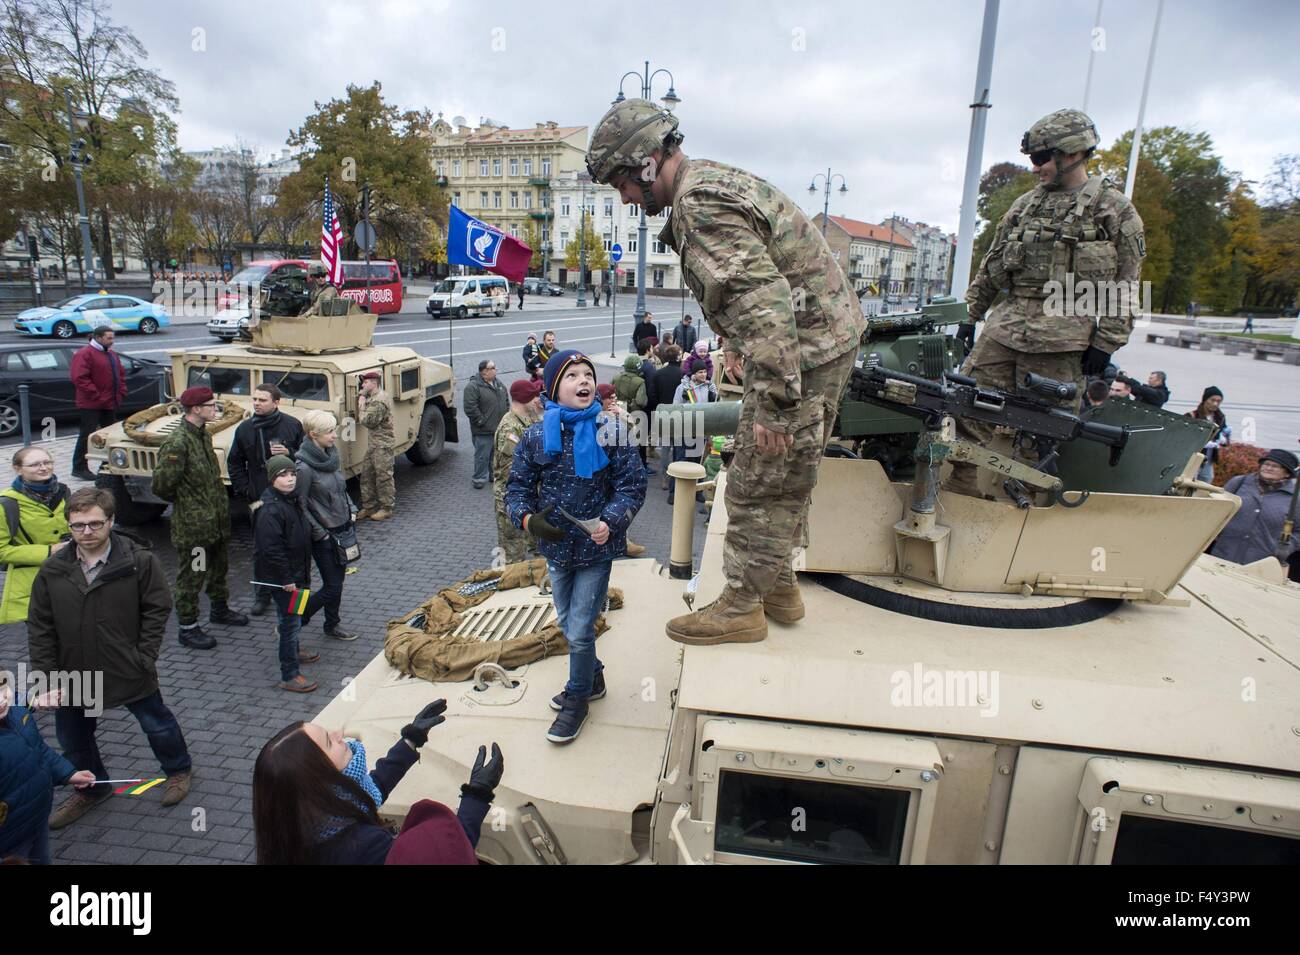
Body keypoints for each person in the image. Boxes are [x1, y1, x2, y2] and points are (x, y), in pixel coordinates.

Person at [588, 98, 865, 646]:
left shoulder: (698, 204)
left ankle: (741, 605)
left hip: (802, 354)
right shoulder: (708, 183)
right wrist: (740, 344)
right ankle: (778, 587)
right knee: (780, 475)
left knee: (756, 481)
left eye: (621, 180)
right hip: (816, 344)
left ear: (647, 161)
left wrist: (778, 405)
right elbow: (755, 290)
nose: (623, 196)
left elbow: (765, 302)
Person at [945, 108, 1146, 499]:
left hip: (1064, 339)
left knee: (1043, 424)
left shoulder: (1114, 210)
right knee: (969, 403)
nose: (1035, 168)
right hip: (1006, 329)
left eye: (1041, 158)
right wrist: (969, 316)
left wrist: (1106, 344)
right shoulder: (1024, 207)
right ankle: (962, 483)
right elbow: (992, 265)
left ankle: (1027, 496)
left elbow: (1127, 284)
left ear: (1070, 154)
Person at [29, 487, 193, 830]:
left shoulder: (138, 561)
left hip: (127, 666)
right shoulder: (52, 569)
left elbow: (158, 607)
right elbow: (41, 626)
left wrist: (144, 657)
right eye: (77, 526)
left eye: (94, 524)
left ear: (111, 521)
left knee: (156, 723)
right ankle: (92, 789)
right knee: (73, 738)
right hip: (73, 673)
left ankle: (177, 771)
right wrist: (46, 679)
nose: (86, 532)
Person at [505, 350, 646, 743]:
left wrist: (611, 522)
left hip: (596, 550)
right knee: (568, 624)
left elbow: (632, 486)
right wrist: (527, 519)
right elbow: (516, 487)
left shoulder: (612, 431)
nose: (583, 381)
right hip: (555, 550)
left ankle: (578, 699)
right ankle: (595, 677)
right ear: (553, 387)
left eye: (588, 374)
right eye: (572, 376)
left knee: (580, 629)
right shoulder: (535, 435)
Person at [253, 706, 503, 864]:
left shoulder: (298, 824)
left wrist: (410, 742)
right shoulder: (364, 847)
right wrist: (477, 796)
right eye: (329, 742)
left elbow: (369, 791)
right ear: (321, 781)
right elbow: (449, 852)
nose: (339, 734)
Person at [152, 386, 248, 650]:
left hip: (215, 521)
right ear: (196, 409)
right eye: (210, 405)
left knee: (219, 568)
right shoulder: (178, 442)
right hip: (194, 527)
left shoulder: (202, 435)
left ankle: (220, 609)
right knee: (192, 576)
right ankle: (188, 627)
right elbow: (161, 485)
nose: (214, 409)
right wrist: (189, 503)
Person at [0, 671, 96, 864]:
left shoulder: (17, 713)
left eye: (3, 688)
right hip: (9, 838)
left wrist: (68, 773)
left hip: (36, 818)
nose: (2, 699)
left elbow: (38, 750)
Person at [227, 383, 305, 615]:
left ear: (276, 402)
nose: (257, 404)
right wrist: (245, 489)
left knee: (295, 546)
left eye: (262, 400)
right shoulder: (244, 429)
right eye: (255, 399)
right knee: (263, 548)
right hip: (259, 498)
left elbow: (304, 456)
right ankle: (262, 595)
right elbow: (234, 462)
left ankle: (295, 597)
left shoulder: (292, 425)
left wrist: (289, 454)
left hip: (290, 499)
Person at [255, 455, 319, 693]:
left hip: (298, 576)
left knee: (293, 619)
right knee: (290, 623)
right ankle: (289, 674)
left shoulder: (288, 500)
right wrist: (286, 580)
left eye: (292, 474)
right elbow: (271, 550)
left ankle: (294, 650)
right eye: (283, 475)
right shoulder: (271, 510)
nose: (290, 479)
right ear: (272, 479)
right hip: (287, 581)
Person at [295, 412, 359, 643]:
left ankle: (332, 624)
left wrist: (352, 508)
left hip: (344, 530)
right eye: (330, 432)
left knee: (337, 584)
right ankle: (296, 619)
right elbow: (300, 505)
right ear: (313, 435)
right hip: (325, 537)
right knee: (332, 587)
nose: (335, 436)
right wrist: (319, 534)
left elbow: (341, 489)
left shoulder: (331, 457)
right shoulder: (303, 468)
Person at [0, 447, 71, 624]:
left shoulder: (64, 492)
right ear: (18, 469)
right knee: (45, 642)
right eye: (34, 464)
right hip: (33, 583)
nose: (43, 468)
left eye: (47, 462)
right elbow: (2, 551)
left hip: (71, 576)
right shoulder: (7, 504)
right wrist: (48, 551)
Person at [1208, 450, 1297, 567]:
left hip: (1259, 565)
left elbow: (1298, 532)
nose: (1268, 468)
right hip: (1220, 555)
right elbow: (1216, 510)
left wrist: (1285, 547)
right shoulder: (1239, 483)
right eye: (1266, 464)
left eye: (1275, 466)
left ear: (1287, 473)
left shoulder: (1295, 499)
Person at [493, 378, 543, 565]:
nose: (536, 400)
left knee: (539, 546)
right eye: (533, 397)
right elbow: (510, 472)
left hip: (529, 498)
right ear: (525, 399)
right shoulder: (510, 429)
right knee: (514, 555)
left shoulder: (527, 419)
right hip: (511, 501)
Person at [70, 326, 127, 481]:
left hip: (109, 401)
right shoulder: (84, 354)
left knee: (111, 435)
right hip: (91, 403)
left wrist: (121, 391)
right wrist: (96, 394)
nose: (112, 341)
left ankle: (108, 463)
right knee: (87, 435)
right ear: (98, 337)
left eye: (112, 338)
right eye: (109, 338)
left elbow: (120, 374)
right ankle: (79, 467)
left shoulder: (111, 353)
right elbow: (79, 378)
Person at [464, 359, 510, 490]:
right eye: (493, 367)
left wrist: (505, 417)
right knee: (482, 456)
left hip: (497, 428)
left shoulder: (498, 383)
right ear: (485, 372)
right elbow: (470, 408)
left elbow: (506, 401)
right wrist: (481, 421)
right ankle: (478, 479)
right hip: (483, 430)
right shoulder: (473, 387)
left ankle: (493, 476)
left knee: (495, 455)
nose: (496, 369)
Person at [356, 370, 395, 521]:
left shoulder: (379, 400)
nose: (363, 385)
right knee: (366, 476)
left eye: (365, 382)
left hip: (382, 445)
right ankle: (369, 507)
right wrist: (363, 394)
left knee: (383, 477)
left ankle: (386, 508)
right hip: (374, 444)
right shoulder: (372, 396)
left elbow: (368, 421)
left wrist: (361, 406)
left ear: (374, 383)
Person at [1189, 386, 1231, 483]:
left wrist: (1225, 438)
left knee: (1206, 482)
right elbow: (1184, 438)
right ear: (1205, 400)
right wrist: (1202, 442)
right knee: (1190, 482)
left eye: (1219, 401)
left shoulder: (1220, 418)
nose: (1215, 403)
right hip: (1193, 457)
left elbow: (1224, 441)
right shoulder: (1192, 416)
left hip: (1209, 458)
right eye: (1212, 400)